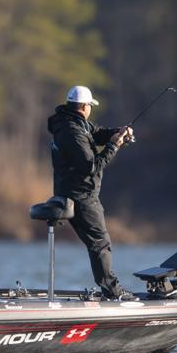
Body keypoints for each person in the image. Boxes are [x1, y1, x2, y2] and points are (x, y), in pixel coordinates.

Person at [47, 85, 134, 300]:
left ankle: (109, 290)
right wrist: (113, 147)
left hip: (73, 191)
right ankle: (113, 293)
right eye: (90, 106)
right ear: (85, 106)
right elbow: (91, 166)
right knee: (100, 243)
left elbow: (97, 133)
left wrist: (117, 133)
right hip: (81, 195)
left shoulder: (73, 123)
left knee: (97, 244)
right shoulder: (72, 131)